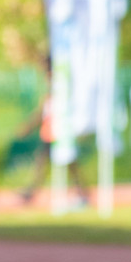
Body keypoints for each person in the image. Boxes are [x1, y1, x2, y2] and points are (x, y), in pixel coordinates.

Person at [16, 57, 90, 209]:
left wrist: (29, 126)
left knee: (69, 161)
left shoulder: (59, 82)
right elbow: (44, 108)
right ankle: (31, 191)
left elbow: (47, 107)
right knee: (43, 161)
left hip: (59, 129)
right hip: (50, 130)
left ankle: (83, 193)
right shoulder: (54, 83)